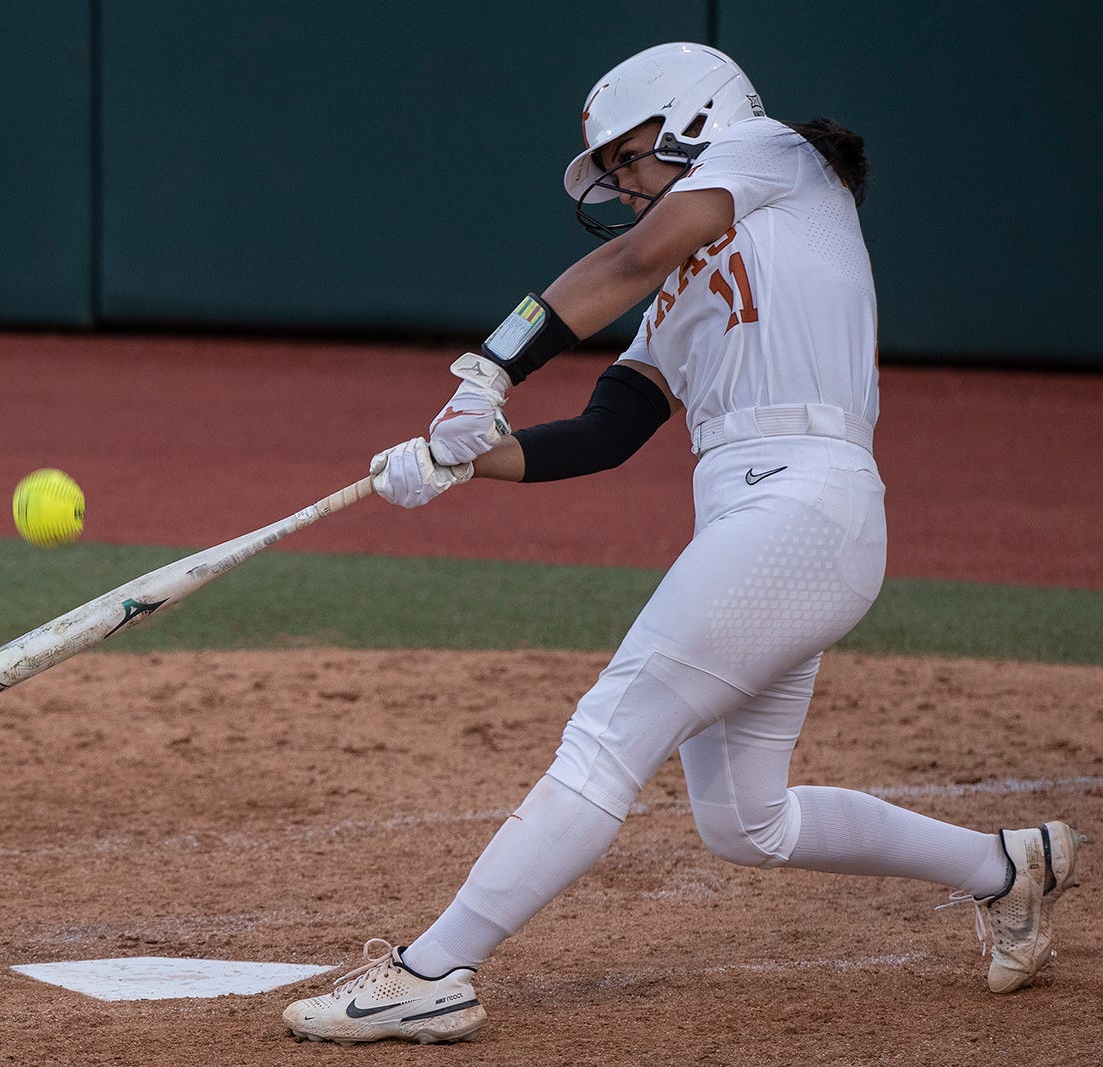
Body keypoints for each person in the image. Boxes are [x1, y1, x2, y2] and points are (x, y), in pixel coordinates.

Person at [281, 42, 1084, 1046]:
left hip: (801, 505)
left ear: (694, 117)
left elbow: (626, 258)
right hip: (768, 532)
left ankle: (430, 970)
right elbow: (603, 434)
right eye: (611, 174)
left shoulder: (773, 155)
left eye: (627, 161)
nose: (620, 189)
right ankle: (1006, 866)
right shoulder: (675, 296)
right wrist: (456, 461)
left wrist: (489, 369)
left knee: (609, 729)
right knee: (746, 821)